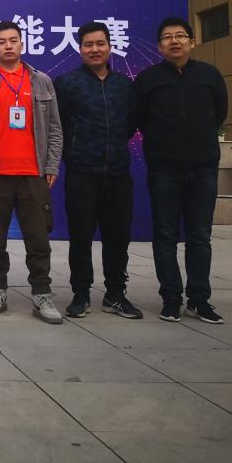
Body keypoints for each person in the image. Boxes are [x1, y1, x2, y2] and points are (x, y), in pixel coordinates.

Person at [0, 20, 64, 324]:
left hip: (33, 174)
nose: (8, 46)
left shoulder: (41, 81)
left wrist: (51, 164)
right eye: (1, 41)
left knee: (38, 239)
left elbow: (55, 128)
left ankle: (42, 294)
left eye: (13, 40)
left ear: (22, 44)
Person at [135, 17, 228, 324]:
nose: (174, 41)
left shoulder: (210, 75)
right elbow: (141, 119)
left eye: (180, 36)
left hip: (203, 167)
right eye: (167, 37)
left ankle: (199, 299)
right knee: (165, 235)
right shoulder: (148, 79)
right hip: (165, 168)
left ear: (192, 42)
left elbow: (220, 113)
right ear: (159, 46)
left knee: (200, 235)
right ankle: (171, 299)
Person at [54, 21, 142, 319]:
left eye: (100, 43)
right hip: (82, 172)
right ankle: (81, 294)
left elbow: (130, 123)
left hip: (118, 173)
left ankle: (115, 294)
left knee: (118, 237)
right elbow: (58, 125)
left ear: (109, 47)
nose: (95, 49)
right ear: (80, 49)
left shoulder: (124, 85)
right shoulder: (67, 83)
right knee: (80, 237)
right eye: (88, 44)